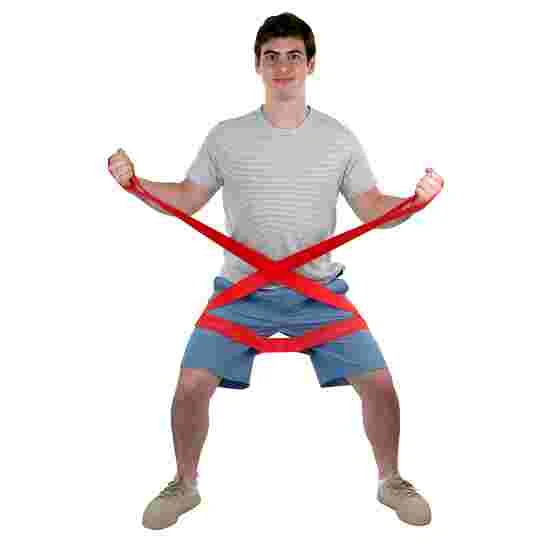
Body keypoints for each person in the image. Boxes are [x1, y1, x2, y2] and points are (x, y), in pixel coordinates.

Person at [108, 12, 443, 530]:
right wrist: (135, 184)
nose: (283, 67)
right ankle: (184, 484)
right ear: (257, 65)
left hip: (318, 293)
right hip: (242, 293)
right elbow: (187, 199)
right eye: (272, 57)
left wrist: (414, 203)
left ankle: (392, 481)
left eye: (293, 56)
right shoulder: (227, 136)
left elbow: (374, 208)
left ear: (311, 64)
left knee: (379, 384)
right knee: (191, 385)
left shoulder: (338, 138)